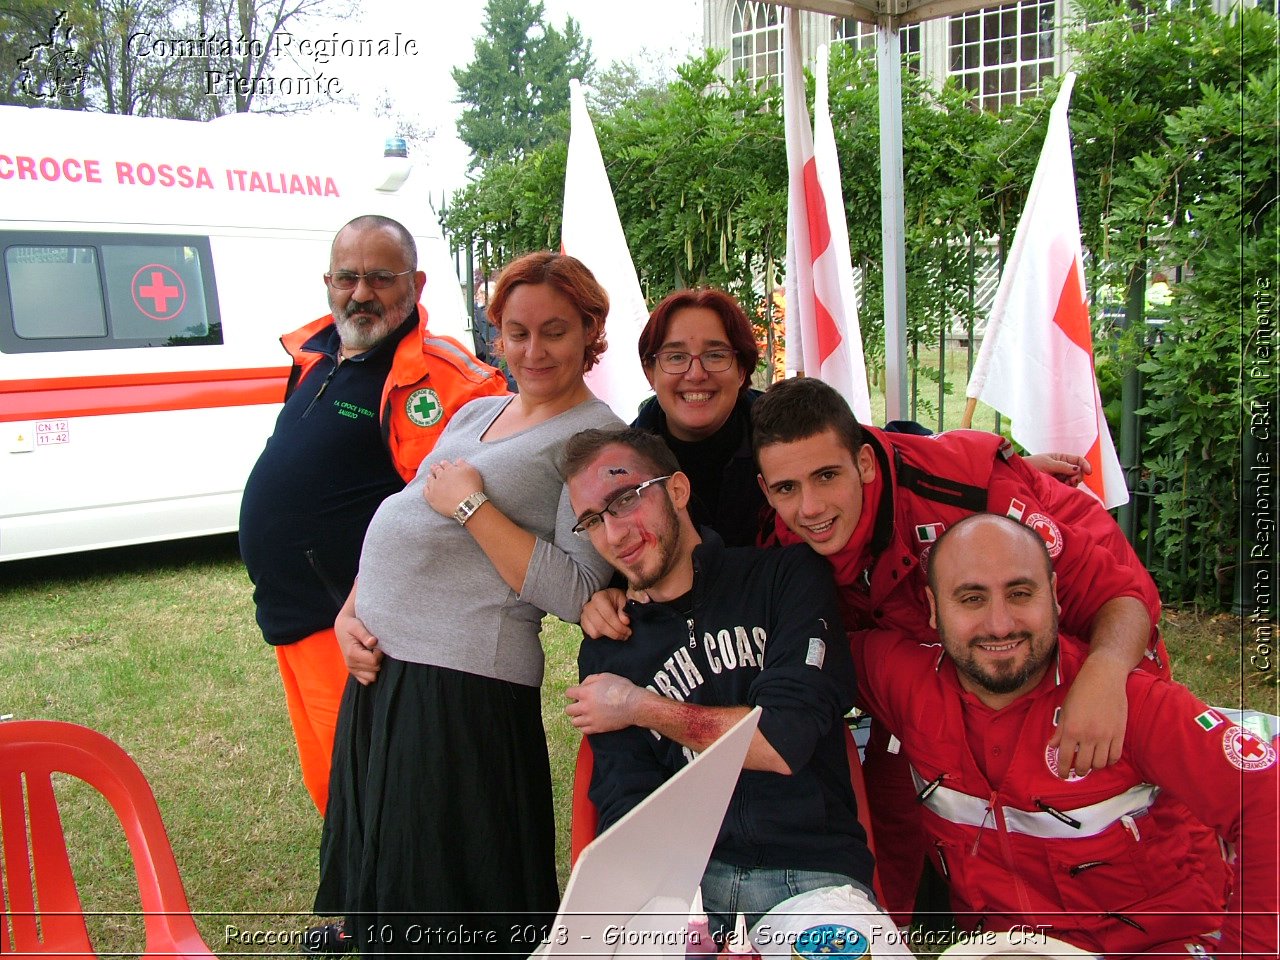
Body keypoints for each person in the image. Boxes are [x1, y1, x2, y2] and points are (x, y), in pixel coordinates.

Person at [749, 376, 1167, 919]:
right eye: (787, 489)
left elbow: (1119, 597)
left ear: (866, 466)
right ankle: (905, 935)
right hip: (926, 654)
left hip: (1071, 632)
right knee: (896, 790)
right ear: (766, 489)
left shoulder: (972, 499)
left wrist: (1106, 676)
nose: (810, 507)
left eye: (827, 476)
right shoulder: (781, 546)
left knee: (1091, 781)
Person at [313, 251, 624, 956]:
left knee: (445, 897)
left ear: (589, 332)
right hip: (386, 672)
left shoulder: (595, 438)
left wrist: (475, 507)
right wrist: (351, 612)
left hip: (460, 689)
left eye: (554, 330)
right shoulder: (481, 409)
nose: (533, 349)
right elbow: (408, 512)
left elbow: (579, 590)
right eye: (516, 332)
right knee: (387, 873)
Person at [852, 513, 1278, 958]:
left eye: (1020, 593)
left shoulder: (1129, 700)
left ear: (1055, 597)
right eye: (971, 599)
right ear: (934, 608)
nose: (1000, 624)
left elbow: (1266, 800)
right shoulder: (898, 679)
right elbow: (802, 660)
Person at [239, 214, 506, 817]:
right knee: (331, 784)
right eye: (348, 277)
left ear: (417, 282)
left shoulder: (448, 381)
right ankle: (351, 907)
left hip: (360, 627)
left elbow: (464, 513)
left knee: (371, 792)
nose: (361, 293)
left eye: (380, 278)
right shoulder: (316, 353)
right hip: (295, 616)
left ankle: (379, 912)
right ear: (328, 280)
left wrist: (362, 605)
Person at [562, 427, 875, 936]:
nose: (613, 534)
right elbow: (624, 798)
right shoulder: (607, 645)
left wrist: (637, 705)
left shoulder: (785, 578)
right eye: (593, 521)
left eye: (625, 501)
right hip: (679, 890)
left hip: (807, 879)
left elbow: (781, 739)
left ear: (678, 491)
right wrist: (667, 907)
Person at [632, 287, 769, 546]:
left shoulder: (787, 434)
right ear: (650, 372)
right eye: (676, 357)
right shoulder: (623, 467)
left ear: (742, 371)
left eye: (715, 355)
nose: (696, 374)